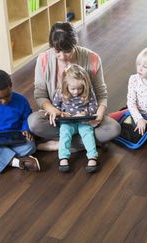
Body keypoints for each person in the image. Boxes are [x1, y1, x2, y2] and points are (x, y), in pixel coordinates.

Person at [28, 21, 120, 152]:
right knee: (34, 122)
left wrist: (99, 115)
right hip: (60, 117)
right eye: (57, 51)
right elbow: (40, 94)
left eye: (67, 51)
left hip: (85, 118)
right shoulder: (43, 60)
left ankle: (62, 144)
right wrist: (52, 110)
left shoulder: (92, 58)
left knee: (113, 129)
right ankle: (87, 142)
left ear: (75, 44)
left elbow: (101, 93)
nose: (62, 57)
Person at [53, 64, 99, 173]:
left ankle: (92, 157)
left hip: (83, 120)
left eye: (79, 88)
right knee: (64, 133)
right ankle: (63, 157)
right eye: (72, 89)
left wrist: (85, 113)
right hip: (67, 122)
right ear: (66, 85)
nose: (76, 92)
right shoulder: (61, 93)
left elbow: (94, 106)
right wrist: (61, 113)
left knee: (88, 133)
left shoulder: (88, 91)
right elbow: (55, 106)